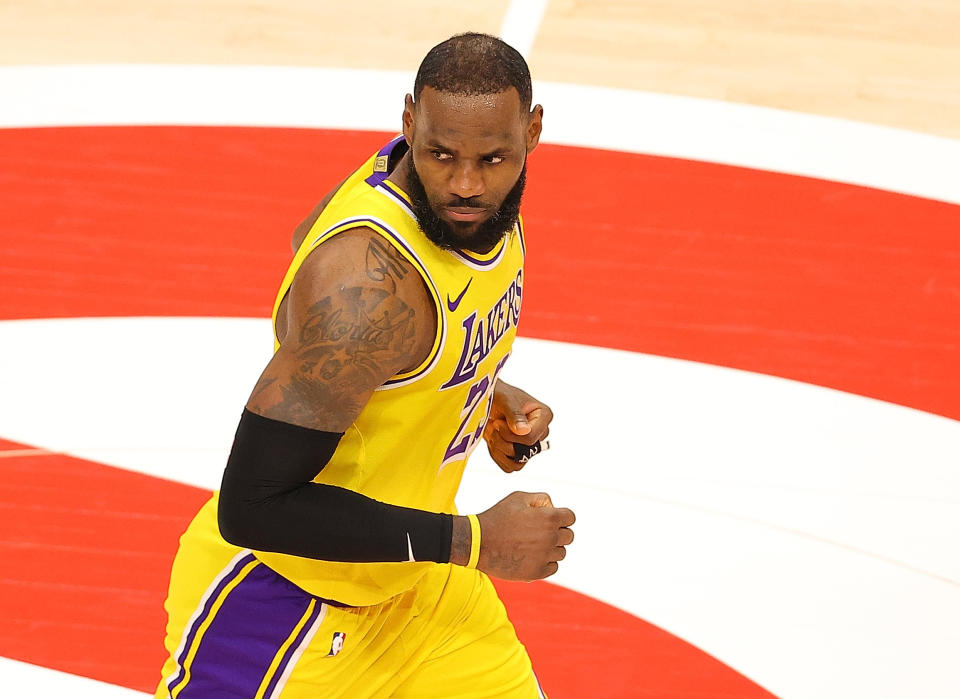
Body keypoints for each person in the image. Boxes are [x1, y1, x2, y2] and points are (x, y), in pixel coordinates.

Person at [156, 32, 575, 699]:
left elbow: (308, 238)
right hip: (288, 606)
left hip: (413, 584)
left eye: (492, 158)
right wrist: (477, 543)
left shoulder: (458, 207)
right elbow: (252, 504)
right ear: (410, 123)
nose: (465, 184)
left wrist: (471, 384)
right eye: (441, 155)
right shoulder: (365, 293)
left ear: (533, 132)